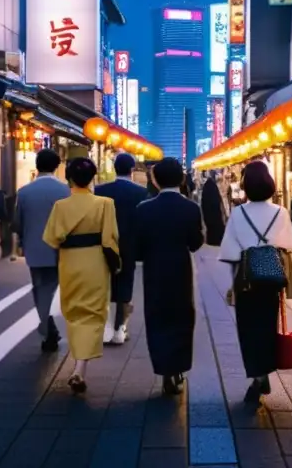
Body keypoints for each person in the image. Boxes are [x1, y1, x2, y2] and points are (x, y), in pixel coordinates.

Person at [219, 161, 292, 404]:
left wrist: (231, 285)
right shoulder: (281, 212)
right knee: (267, 325)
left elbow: (230, 252)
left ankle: (257, 374)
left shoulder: (238, 213)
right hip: (272, 279)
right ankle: (263, 371)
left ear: (245, 186)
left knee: (248, 328)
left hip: (246, 281)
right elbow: (291, 247)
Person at [43, 157, 120, 393]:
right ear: (92, 178)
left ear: (70, 178)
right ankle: (79, 368)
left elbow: (52, 239)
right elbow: (110, 238)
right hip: (95, 261)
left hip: (71, 262)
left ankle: (78, 365)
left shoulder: (60, 206)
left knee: (73, 309)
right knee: (94, 311)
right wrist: (116, 262)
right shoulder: (105, 203)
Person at [134, 157, 205, 394]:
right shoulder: (191, 208)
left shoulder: (143, 210)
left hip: (154, 269)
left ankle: (164, 371)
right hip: (180, 268)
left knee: (157, 318)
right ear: (182, 179)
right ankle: (178, 369)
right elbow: (195, 243)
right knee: (182, 318)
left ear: (154, 180)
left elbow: (137, 249)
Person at [15, 149, 69, 352]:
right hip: (63, 250)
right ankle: (53, 326)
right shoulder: (65, 191)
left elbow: (18, 223)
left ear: (37, 165)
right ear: (57, 166)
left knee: (40, 288)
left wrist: (21, 242)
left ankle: (47, 326)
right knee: (61, 289)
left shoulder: (24, 192)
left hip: (35, 248)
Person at [95, 153, 149, 345]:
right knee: (125, 285)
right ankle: (120, 328)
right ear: (132, 169)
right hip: (129, 245)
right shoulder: (141, 193)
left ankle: (106, 329)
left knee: (104, 286)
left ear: (115, 168)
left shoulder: (100, 190)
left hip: (103, 245)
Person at [200, 170, 227, 246]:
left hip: (210, 231)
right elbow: (222, 210)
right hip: (219, 228)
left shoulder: (204, 197)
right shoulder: (217, 198)